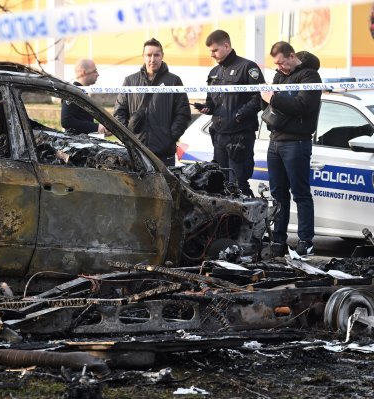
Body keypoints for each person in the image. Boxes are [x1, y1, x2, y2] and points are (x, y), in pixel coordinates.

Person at [260, 42, 322, 257]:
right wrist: (269, 99)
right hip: (275, 140)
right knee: (278, 195)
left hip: (296, 142)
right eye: (276, 64)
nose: (279, 68)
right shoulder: (279, 76)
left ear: (292, 56)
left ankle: (306, 241)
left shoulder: (310, 77)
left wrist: (274, 98)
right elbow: (270, 105)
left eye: (281, 63)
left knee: (300, 193)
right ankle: (278, 240)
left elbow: (303, 106)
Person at [197, 30, 265, 197]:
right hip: (219, 136)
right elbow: (212, 101)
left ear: (226, 46)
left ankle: (251, 220)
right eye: (210, 51)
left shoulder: (247, 67)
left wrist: (240, 114)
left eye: (215, 50)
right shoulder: (214, 72)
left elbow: (260, 97)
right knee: (221, 184)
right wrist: (206, 108)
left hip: (239, 136)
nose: (212, 55)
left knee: (238, 184)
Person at [114, 38, 191, 166]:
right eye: (149, 55)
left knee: (165, 186)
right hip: (136, 151)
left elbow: (183, 114)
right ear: (143, 56)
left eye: (156, 55)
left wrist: (170, 137)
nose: (152, 59)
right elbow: (119, 112)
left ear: (162, 56)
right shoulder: (130, 81)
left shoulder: (174, 81)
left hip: (164, 153)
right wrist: (128, 137)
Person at [61, 59, 107, 136]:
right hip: (76, 143)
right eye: (94, 71)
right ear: (83, 72)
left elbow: (83, 120)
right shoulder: (73, 93)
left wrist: (100, 129)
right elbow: (66, 121)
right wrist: (96, 127)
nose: (97, 74)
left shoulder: (81, 92)